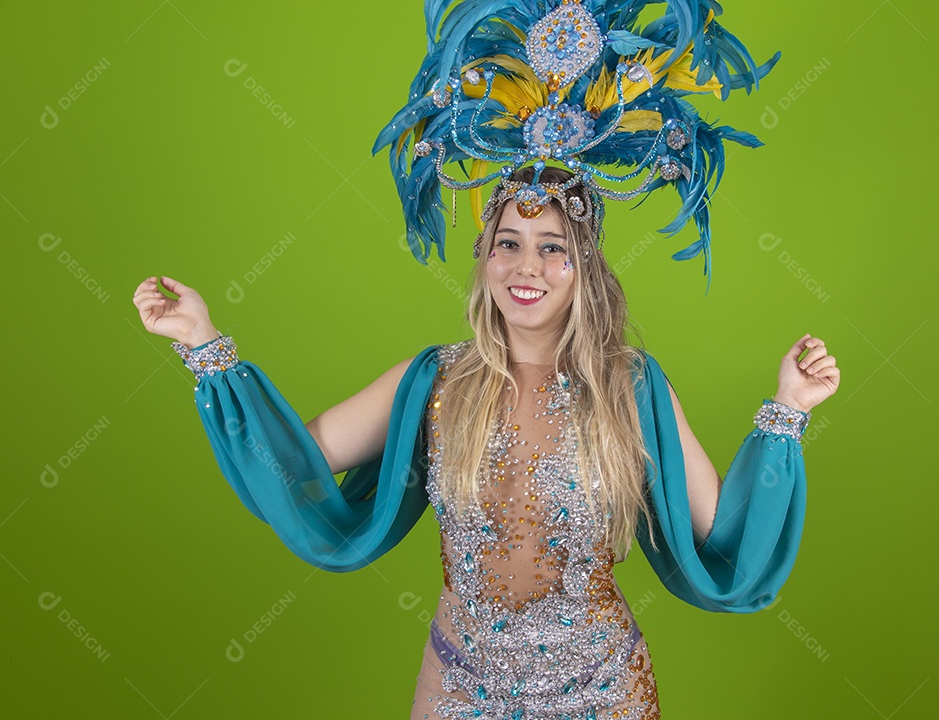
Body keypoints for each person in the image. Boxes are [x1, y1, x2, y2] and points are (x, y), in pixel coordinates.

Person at [133, 166, 838, 719]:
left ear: (583, 267)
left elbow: (722, 534)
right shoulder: (433, 380)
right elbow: (296, 467)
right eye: (508, 243)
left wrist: (787, 410)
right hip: (462, 685)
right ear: (484, 255)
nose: (525, 268)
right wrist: (206, 347)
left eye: (551, 248)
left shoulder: (632, 388)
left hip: (601, 690)